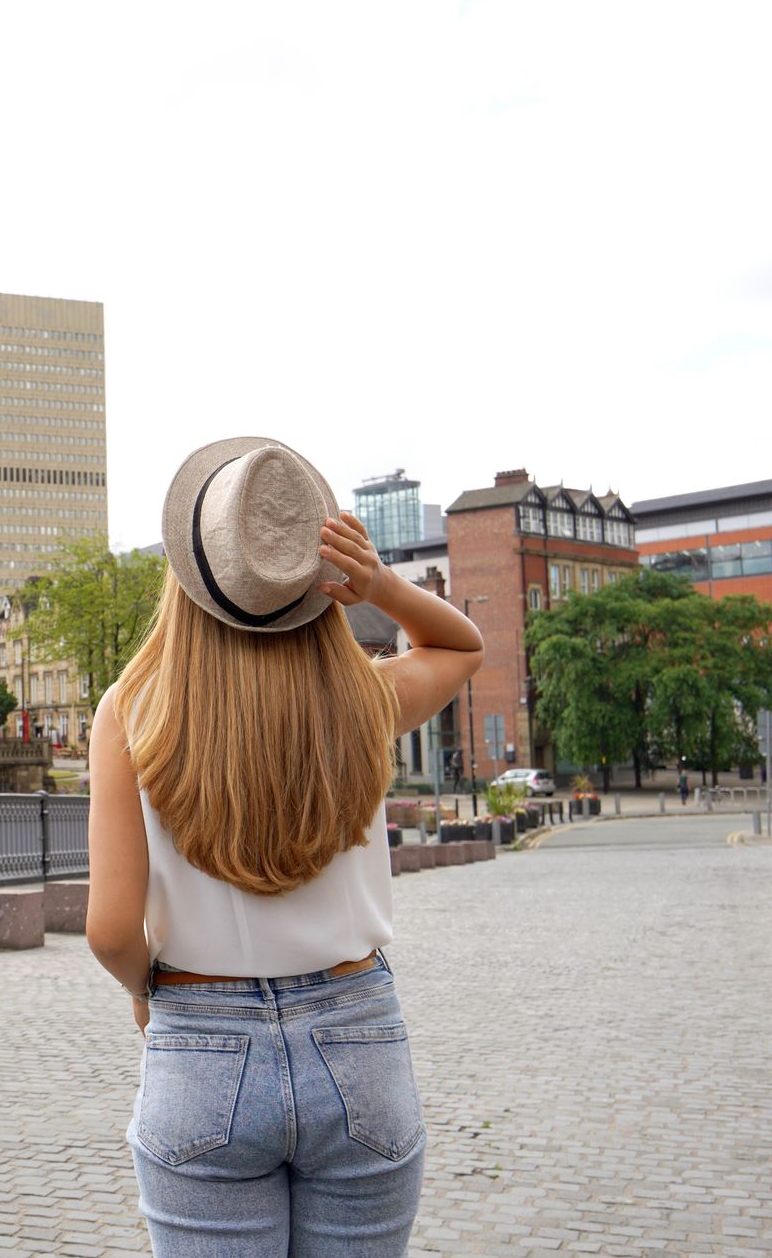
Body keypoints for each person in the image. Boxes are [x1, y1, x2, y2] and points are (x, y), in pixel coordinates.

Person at [86, 437, 484, 1255]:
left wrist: (146, 989)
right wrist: (378, 586)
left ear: (189, 575)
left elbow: (111, 931)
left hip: (202, 1040)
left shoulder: (131, 714)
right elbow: (460, 647)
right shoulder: (362, 699)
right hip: (356, 1033)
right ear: (313, 580)